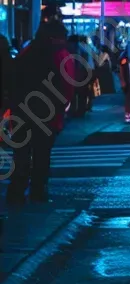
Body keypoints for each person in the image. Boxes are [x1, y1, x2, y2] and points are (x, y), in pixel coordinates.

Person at [5, 17, 74, 204]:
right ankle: (38, 191)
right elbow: (67, 84)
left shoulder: (26, 51)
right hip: (47, 113)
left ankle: (16, 192)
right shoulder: (61, 54)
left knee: (21, 153)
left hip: (22, 110)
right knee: (42, 154)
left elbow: (12, 79)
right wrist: (63, 107)